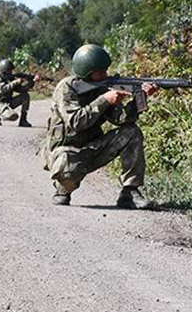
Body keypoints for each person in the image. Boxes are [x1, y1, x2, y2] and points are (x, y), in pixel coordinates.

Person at [44, 43, 160, 209]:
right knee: (68, 166)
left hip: (93, 147)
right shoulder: (67, 87)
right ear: (86, 72)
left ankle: (130, 192)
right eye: (100, 72)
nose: (105, 75)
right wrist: (104, 100)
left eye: (106, 70)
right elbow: (76, 122)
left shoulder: (104, 87)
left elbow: (121, 120)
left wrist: (138, 100)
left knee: (131, 132)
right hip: (65, 150)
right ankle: (63, 189)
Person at [0, 59, 36, 127]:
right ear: (4, 71)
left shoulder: (10, 78)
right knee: (13, 116)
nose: (11, 72)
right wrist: (16, 82)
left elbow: (21, 90)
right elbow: (3, 89)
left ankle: (23, 120)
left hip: (8, 102)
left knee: (25, 96)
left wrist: (31, 82)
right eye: (9, 70)